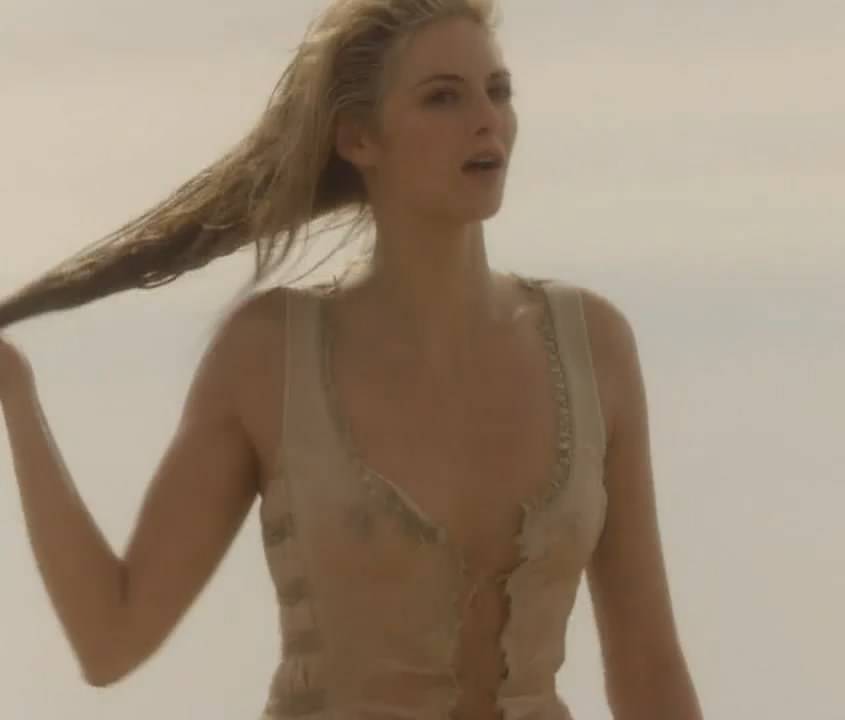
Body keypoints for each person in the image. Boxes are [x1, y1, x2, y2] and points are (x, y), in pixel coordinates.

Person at [0, 1, 703, 718]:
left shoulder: (593, 346)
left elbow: (648, 668)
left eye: (498, 91)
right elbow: (111, 638)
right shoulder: (269, 354)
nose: (487, 120)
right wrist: (15, 393)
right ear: (360, 139)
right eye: (443, 97)